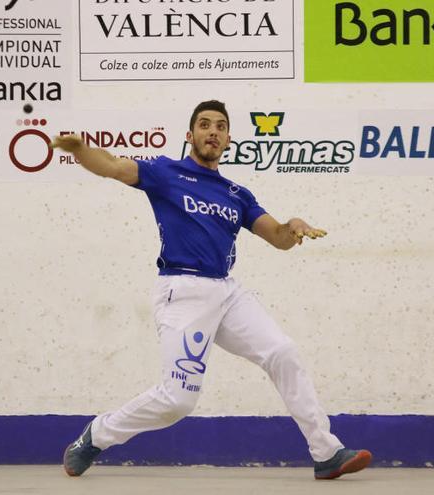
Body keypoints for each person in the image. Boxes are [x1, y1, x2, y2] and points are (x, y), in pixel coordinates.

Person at [51, 100, 371, 480]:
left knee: (283, 352)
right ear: (191, 135)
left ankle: (326, 453)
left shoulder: (237, 194)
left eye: (220, 126)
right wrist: (81, 151)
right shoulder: (165, 172)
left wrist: (294, 225)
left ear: (228, 140)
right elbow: (114, 167)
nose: (212, 131)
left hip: (226, 292)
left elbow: (278, 237)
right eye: (204, 125)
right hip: (182, 291)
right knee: (177, 401)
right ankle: (96, 435)